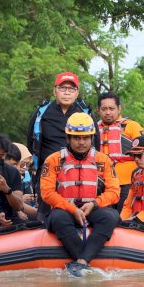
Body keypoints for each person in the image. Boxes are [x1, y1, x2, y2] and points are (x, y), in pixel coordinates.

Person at [40, 113, 120, 277]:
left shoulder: (103, 160)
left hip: (92, 207)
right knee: (57, 219)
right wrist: (72, 209)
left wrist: (94, 204)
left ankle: (81, 262)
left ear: (92, 138)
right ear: (68, 138)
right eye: (77, 138)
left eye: (85, 138)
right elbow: (47, 193)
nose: (81, 142)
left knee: (110, 217)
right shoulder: (53, 160)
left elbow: (114, 192)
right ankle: (84, 258)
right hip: (64, 209)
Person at [27, 72, 100, 221]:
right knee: (46, 216)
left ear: (77, 92)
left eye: (71, 89)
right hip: (48, 172)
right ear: (55, 91)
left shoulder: (85, 113)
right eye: (63, 88)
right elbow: (31, 141)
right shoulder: (41, 113)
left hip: (80, 171)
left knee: (82, 213)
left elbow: (95, 142)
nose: (67, 92)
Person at [97, 92, 144, 212]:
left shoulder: (132, 126)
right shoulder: (93, 129)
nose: (108, 112)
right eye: (104, 109)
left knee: (124, 215)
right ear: (98, 110)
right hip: (101, 182)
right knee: (104, 215)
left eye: (111, 108)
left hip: (127, 182)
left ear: (119, 108)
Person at [5, 143, 38, 221]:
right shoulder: (7, 176)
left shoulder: (26, 177)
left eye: (27, 164)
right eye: (22, 164)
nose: (25, 168)